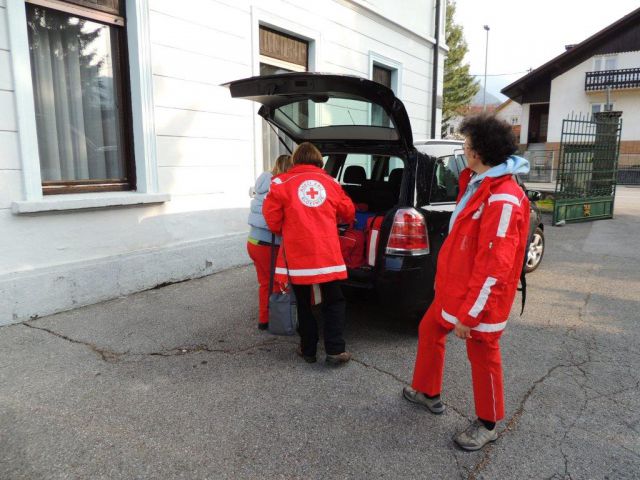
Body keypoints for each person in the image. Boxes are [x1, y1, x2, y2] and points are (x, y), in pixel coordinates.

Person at [402, 114, 531, 451]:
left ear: (478, 152)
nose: (463, 148)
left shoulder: (501, 198)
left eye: (467, 144)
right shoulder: (479, 183)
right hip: (454, 291)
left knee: (484, 357)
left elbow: (495, 267)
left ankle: (488, 424)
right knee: (430, 330)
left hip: (479, 302)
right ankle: (427, 392)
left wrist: (470, 315)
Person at [263, 142, 355, 365]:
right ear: (318, 160)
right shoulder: (330, 182)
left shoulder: (280, 183)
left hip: (298, 257)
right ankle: (335, 350)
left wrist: (291, 228)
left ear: (295, 160)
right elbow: (348, 211)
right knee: (334, 301)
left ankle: (308, 350)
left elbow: (272, 219)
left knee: (304, 304)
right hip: (327, 254)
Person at [247, 154, 292, 330]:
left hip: (253, 242)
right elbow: (277, 222)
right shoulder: (278, 190)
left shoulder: (263, 187)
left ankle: (264, 318)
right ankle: (272, 319)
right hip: (268, 245)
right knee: (273, 283)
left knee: (264, 281)